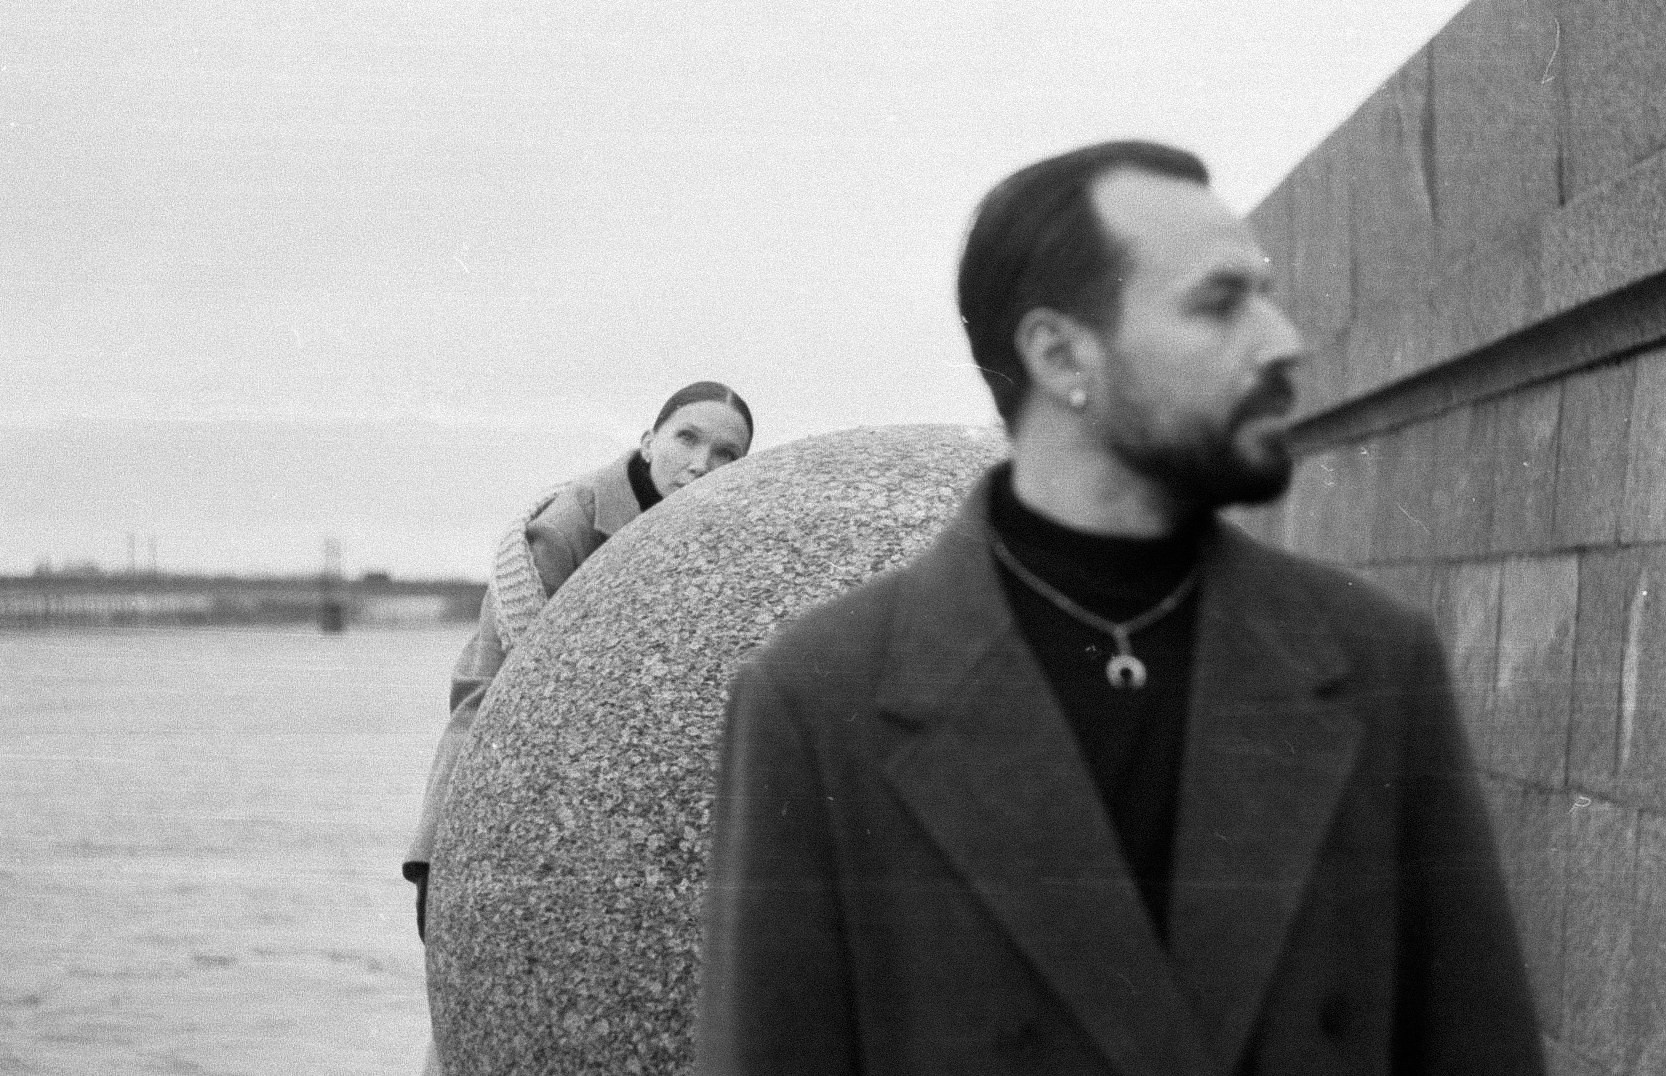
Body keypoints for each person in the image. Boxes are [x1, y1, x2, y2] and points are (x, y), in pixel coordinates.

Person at [696, 142, 1542, 1075]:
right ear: (1062, 355)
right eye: (1220, 304)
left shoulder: (1374, 659)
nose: (1281, 341)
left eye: (1264, 296)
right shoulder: (820, 702)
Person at [403, 380, 754, 933]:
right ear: (648, 442)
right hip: (531, 764)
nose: (700, 464)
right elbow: (486, 685)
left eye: (726, 454)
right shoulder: (569, 525)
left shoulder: (722, 535)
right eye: (687, 439)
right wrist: (436, 853)